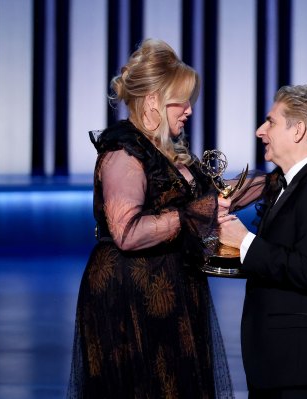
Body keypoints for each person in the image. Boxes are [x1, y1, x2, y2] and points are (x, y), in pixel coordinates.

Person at [67, 39, 235, 398]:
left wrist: (273, 180)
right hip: (131, 294)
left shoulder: (168, 151)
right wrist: (192, 215)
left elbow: (213, 197)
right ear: (154, 100)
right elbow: (127, 233)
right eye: (182, 101)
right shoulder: (123, 152)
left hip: (174, 289)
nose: (189, 110)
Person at [219, 85, 307, 398]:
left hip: (300, 368)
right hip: (278, 365)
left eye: (271, 122)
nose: (260, 131)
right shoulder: (289, 185)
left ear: (298, 130)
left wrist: (245, 242)